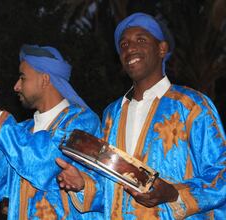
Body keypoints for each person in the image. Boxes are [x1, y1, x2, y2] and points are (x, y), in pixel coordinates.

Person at [56, 12, 226, 219]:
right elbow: (112, 189)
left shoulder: (191, 105)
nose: (130, 48)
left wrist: (173, 194)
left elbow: (221, 174)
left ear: (161, 49)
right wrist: (83, 184)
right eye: (124, 45)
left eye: (141, 40)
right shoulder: (112, 114)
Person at [0, 44, 102, 219]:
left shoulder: (82, 121)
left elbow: (43, 162)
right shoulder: (22, 130)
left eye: (22, 78)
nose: (16, 86)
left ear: (44, 79)